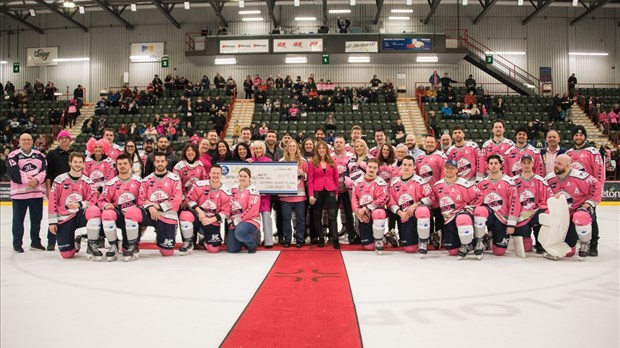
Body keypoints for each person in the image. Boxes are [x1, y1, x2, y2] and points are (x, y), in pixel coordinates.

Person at [123, 152, 182, 260]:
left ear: (166, 163)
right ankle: (132, 245)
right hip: (150, 213)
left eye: (162, 161)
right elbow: (141, 199)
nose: (160, 163)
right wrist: (150, 207)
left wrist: (157, 207)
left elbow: (176, 200)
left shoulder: (175, 179)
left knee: (167, 252)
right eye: (157, 161)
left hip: (167, 216)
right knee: (131, 212)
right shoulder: (146, 180)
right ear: (154, 163)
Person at [545, 154, 601, 260]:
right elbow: (543, 193)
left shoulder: (580, 176)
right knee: (568, 251)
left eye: (559, 164)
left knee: (581, 216)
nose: (556, 165)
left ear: (568, 165)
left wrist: (590, 202)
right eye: (555, 163)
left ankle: (585, 243)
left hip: (578, 210)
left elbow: (596, 185)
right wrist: (551, 197)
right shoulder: (549, 179)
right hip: (563, 216)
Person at [48, 152, 102, 259]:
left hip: (80, 215)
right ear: (70, 163)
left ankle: (91, 244)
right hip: (64, 218)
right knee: (67, 254)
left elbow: (92, 200)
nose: (78, 164)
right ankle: (76, 241)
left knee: (94, 210)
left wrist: (80, 204)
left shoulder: (88, 181)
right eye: (75, 162)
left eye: (80, 162)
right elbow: (52, 201)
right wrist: (52, 222)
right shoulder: (59, 180)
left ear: (83, 164)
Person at [565, 125, 604, 256]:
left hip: (588, 194)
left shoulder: (593, 152)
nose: (578, 137)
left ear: (585, 137)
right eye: (576, 135)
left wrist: (595, 194)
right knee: (574, 219)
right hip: (573, 194)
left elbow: (599, 174)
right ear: (573, 137)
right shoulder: (568, 153)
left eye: (581, 135)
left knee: (591, 219)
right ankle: (578, 242)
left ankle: (593, 245)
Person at [430, 159, 481, 259]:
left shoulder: (464, 184)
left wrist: (470, 208)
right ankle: (471, 242)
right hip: (448, 219)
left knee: (462, 218)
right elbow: (433, 200)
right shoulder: (437, 185)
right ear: (444, 169)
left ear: (457, 170)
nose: (449, 170)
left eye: (452, 168)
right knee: (452, 251)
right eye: (447, 168)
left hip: (461, 215)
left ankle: (471, 242)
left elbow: (479, 194)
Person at [473, 155, 520, 258]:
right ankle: (479, 240)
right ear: (487, 166)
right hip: (488, 216)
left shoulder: (509, 182)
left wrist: (511, 224)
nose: (493, 166)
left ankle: (488, 238)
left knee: (499, 252)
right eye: (491, 163)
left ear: (500, 165)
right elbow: (475, 201)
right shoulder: (482, 183)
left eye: (496, 163)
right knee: (480, 210)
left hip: (502, 218)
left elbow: (514, 203)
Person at [7, 133, 47, 252]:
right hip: (19, 194)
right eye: (23, 139)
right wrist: (31, 180)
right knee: (18, 221)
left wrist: (37, 180)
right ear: (19, 141)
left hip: (36, 193)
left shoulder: (40, 155)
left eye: (28, 139)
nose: (26, 141)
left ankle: (35, 242)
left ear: (32, 141)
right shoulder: (13, 155)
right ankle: (17, 244)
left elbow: (44, 171)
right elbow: (14, 173)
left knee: (36, 220)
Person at [99, 154, 142, 261]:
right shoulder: (110, 184)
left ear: (130, 165)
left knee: (125, 248)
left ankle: (132, 245)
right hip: (120, 216)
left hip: (134, 219)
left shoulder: (140, 182)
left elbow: (144, 200)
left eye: (125, 163)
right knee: (107, 213)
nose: (122, 166)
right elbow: (101, 200)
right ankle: (113, 245)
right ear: (116, 166)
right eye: (120, 164)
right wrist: (106, 205)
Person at [181, 165, 231, 254]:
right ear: (209, 174)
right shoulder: (199, 185)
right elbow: (189, 199)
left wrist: (210, 220)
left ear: (221, 175)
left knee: (213, 249)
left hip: (212, 220)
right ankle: (188, 242)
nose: (215, 175)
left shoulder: (225, 192)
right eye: (214, 173)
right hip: (199, 215)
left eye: (218, 173)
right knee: (185, 215)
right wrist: (199, 211)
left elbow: (226, 212)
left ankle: (203, 237)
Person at [388, 156, 433, 255]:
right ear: (401, 166)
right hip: (405, 216)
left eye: (409, 165)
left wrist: (416, 204)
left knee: (422, 210)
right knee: (410, 249)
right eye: (404, 164)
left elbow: (431, 198)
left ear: (414, 167)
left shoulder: (420, 181)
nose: (407, 167)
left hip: (417, 215)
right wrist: (400, 213)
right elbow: (391, 203)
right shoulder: (394, 183)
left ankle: (424, 241)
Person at [512, 154, 553, 254]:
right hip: (520, 215)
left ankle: (540, 243)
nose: (526, 165)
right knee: (526, 248)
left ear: (532, 164)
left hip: (535, 213)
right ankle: (527, 238)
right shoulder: (513, 181)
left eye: (529, 163)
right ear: (520, 165)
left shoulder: (540, 180)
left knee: (543, 216)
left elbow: (550, 197)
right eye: (524, 163)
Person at [43, 130, 74, 250]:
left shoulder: (75, 152)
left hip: (72, 189)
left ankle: (69, 240)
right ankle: (51, 241)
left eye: (66, 138)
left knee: (70, 216)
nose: (64, 140)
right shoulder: (51, 154)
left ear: (70, 140)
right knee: (54, 214)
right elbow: (48, 174)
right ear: (58, 140)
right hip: (57, 190)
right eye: (62, 138)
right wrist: (49, 189)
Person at [351, 158, 389, 254]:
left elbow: (383, 199)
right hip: (363, 215)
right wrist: (359, 213)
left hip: (375, 214)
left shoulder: (381, 183)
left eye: (374, 168)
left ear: (378, 169)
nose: (372, 169)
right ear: (366, 167)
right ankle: (385, 238)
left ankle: (379, 240)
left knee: (378, 212)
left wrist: (366, 208)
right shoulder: (357, 182)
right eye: (370, 167)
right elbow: (354, 200)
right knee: (368, 246)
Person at [308, 141, 340, 249]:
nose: (321, 150)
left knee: (332, 216)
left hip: (330, 190)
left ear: (326, 149)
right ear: (317, 150)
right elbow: (310, 180)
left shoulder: (332, 162)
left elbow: (336, 178)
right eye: (319, 148)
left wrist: (336, 193)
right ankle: (321, 239)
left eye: (323, 148)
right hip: (317, 191)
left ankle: (335, 239)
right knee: (317, 216)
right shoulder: (312, 162)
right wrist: (311, 195)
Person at [279, 140, 308, 247]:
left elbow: (308, 177)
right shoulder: (281, 161)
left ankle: (299, 239)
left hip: (299, 195)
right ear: (287, 148)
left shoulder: (303, 161)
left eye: (294, 146)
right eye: (290, 146)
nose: (292, 148)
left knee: (300, 218)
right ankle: (287, 239)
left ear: (297, 148)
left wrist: (303, 174)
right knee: (286, 218)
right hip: (286, 196)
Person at [227, 168, 261, 253]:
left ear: (249, 177)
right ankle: (243, 240)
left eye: (245, 176)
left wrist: (238, 220)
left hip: (250, 220)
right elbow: (228, 204)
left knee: (240, 232)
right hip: (235, 221)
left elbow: (251, 210)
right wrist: (229, 219)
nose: (242, 178)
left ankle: (252, 243)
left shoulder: (253, 190)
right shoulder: (233, 189)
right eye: (240, 176)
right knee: (232, 249)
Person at [332, 135, 358, 244]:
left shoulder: (351, 156)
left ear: (344, 144)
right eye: (336, 142)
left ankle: (351, 235)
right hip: (334, 189)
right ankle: (332, 236)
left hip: (348, 190)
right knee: (333, 214)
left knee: (348, 213)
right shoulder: (330, 156)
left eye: (340, 142)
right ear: (333, 144)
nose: (338, 144)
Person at [250, 141, 274, 247]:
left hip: (265, 196)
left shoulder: (269, 161)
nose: (258, 150)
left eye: (260, 148)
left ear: (263, 149)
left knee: (266, 217)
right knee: (254, 218)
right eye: (256, 148)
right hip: (252, 196)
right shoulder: (249, 161)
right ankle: (256, 240)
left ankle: (269, 241)